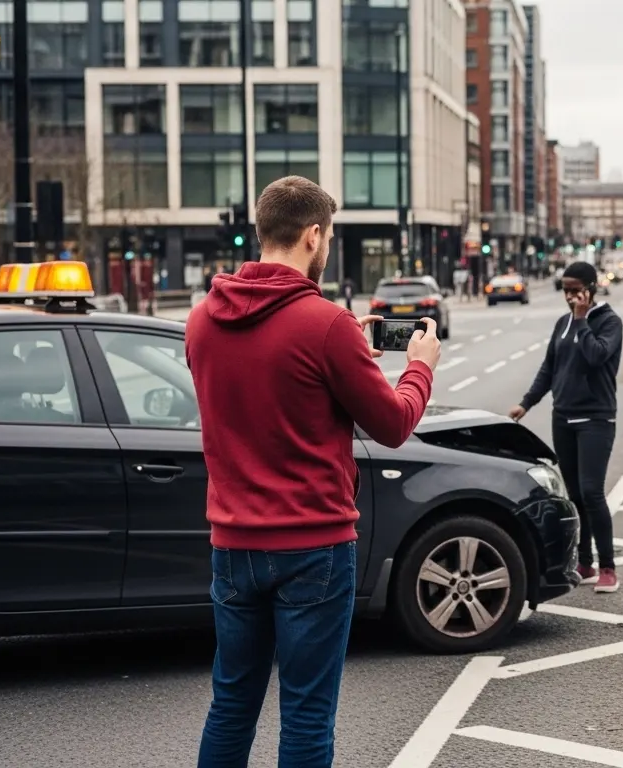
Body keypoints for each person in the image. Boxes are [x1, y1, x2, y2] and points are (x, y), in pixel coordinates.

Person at [188, 176, 440, 768]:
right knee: (305, 715)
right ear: (312, 235)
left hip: (233, 545)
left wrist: (341, 351)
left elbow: (260, 387)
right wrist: (419, 367)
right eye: (328, 236)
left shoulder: (202, 320)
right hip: (313, 547)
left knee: (231, 704)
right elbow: (394, 423)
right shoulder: (324, 325)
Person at [510, 260, 623, 593]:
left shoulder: (609, 322)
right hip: (563, 417)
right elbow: (550, 367)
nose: (571, 298)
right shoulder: (562, 323)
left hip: (596, 419)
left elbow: (595, 357)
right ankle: (585, 562)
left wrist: (581, 319)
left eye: (577, 291)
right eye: (566, 291)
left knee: (591, 492)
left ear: (592, 288)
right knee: (574, 495)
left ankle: (608, 568)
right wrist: (526, 403)